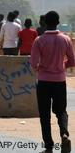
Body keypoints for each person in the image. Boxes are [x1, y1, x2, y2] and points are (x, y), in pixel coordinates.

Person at [30, 11, 75, 153]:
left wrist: (41, 68)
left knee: (44, 114)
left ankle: (49, 146)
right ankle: (64, 134)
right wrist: (61, 66)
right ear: (58, 22)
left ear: (45, 23)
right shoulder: (65, 39)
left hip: (43, 81)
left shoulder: (39, 40)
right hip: (60, 81)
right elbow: (73, 61)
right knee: (61, 111)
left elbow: (33, 63)